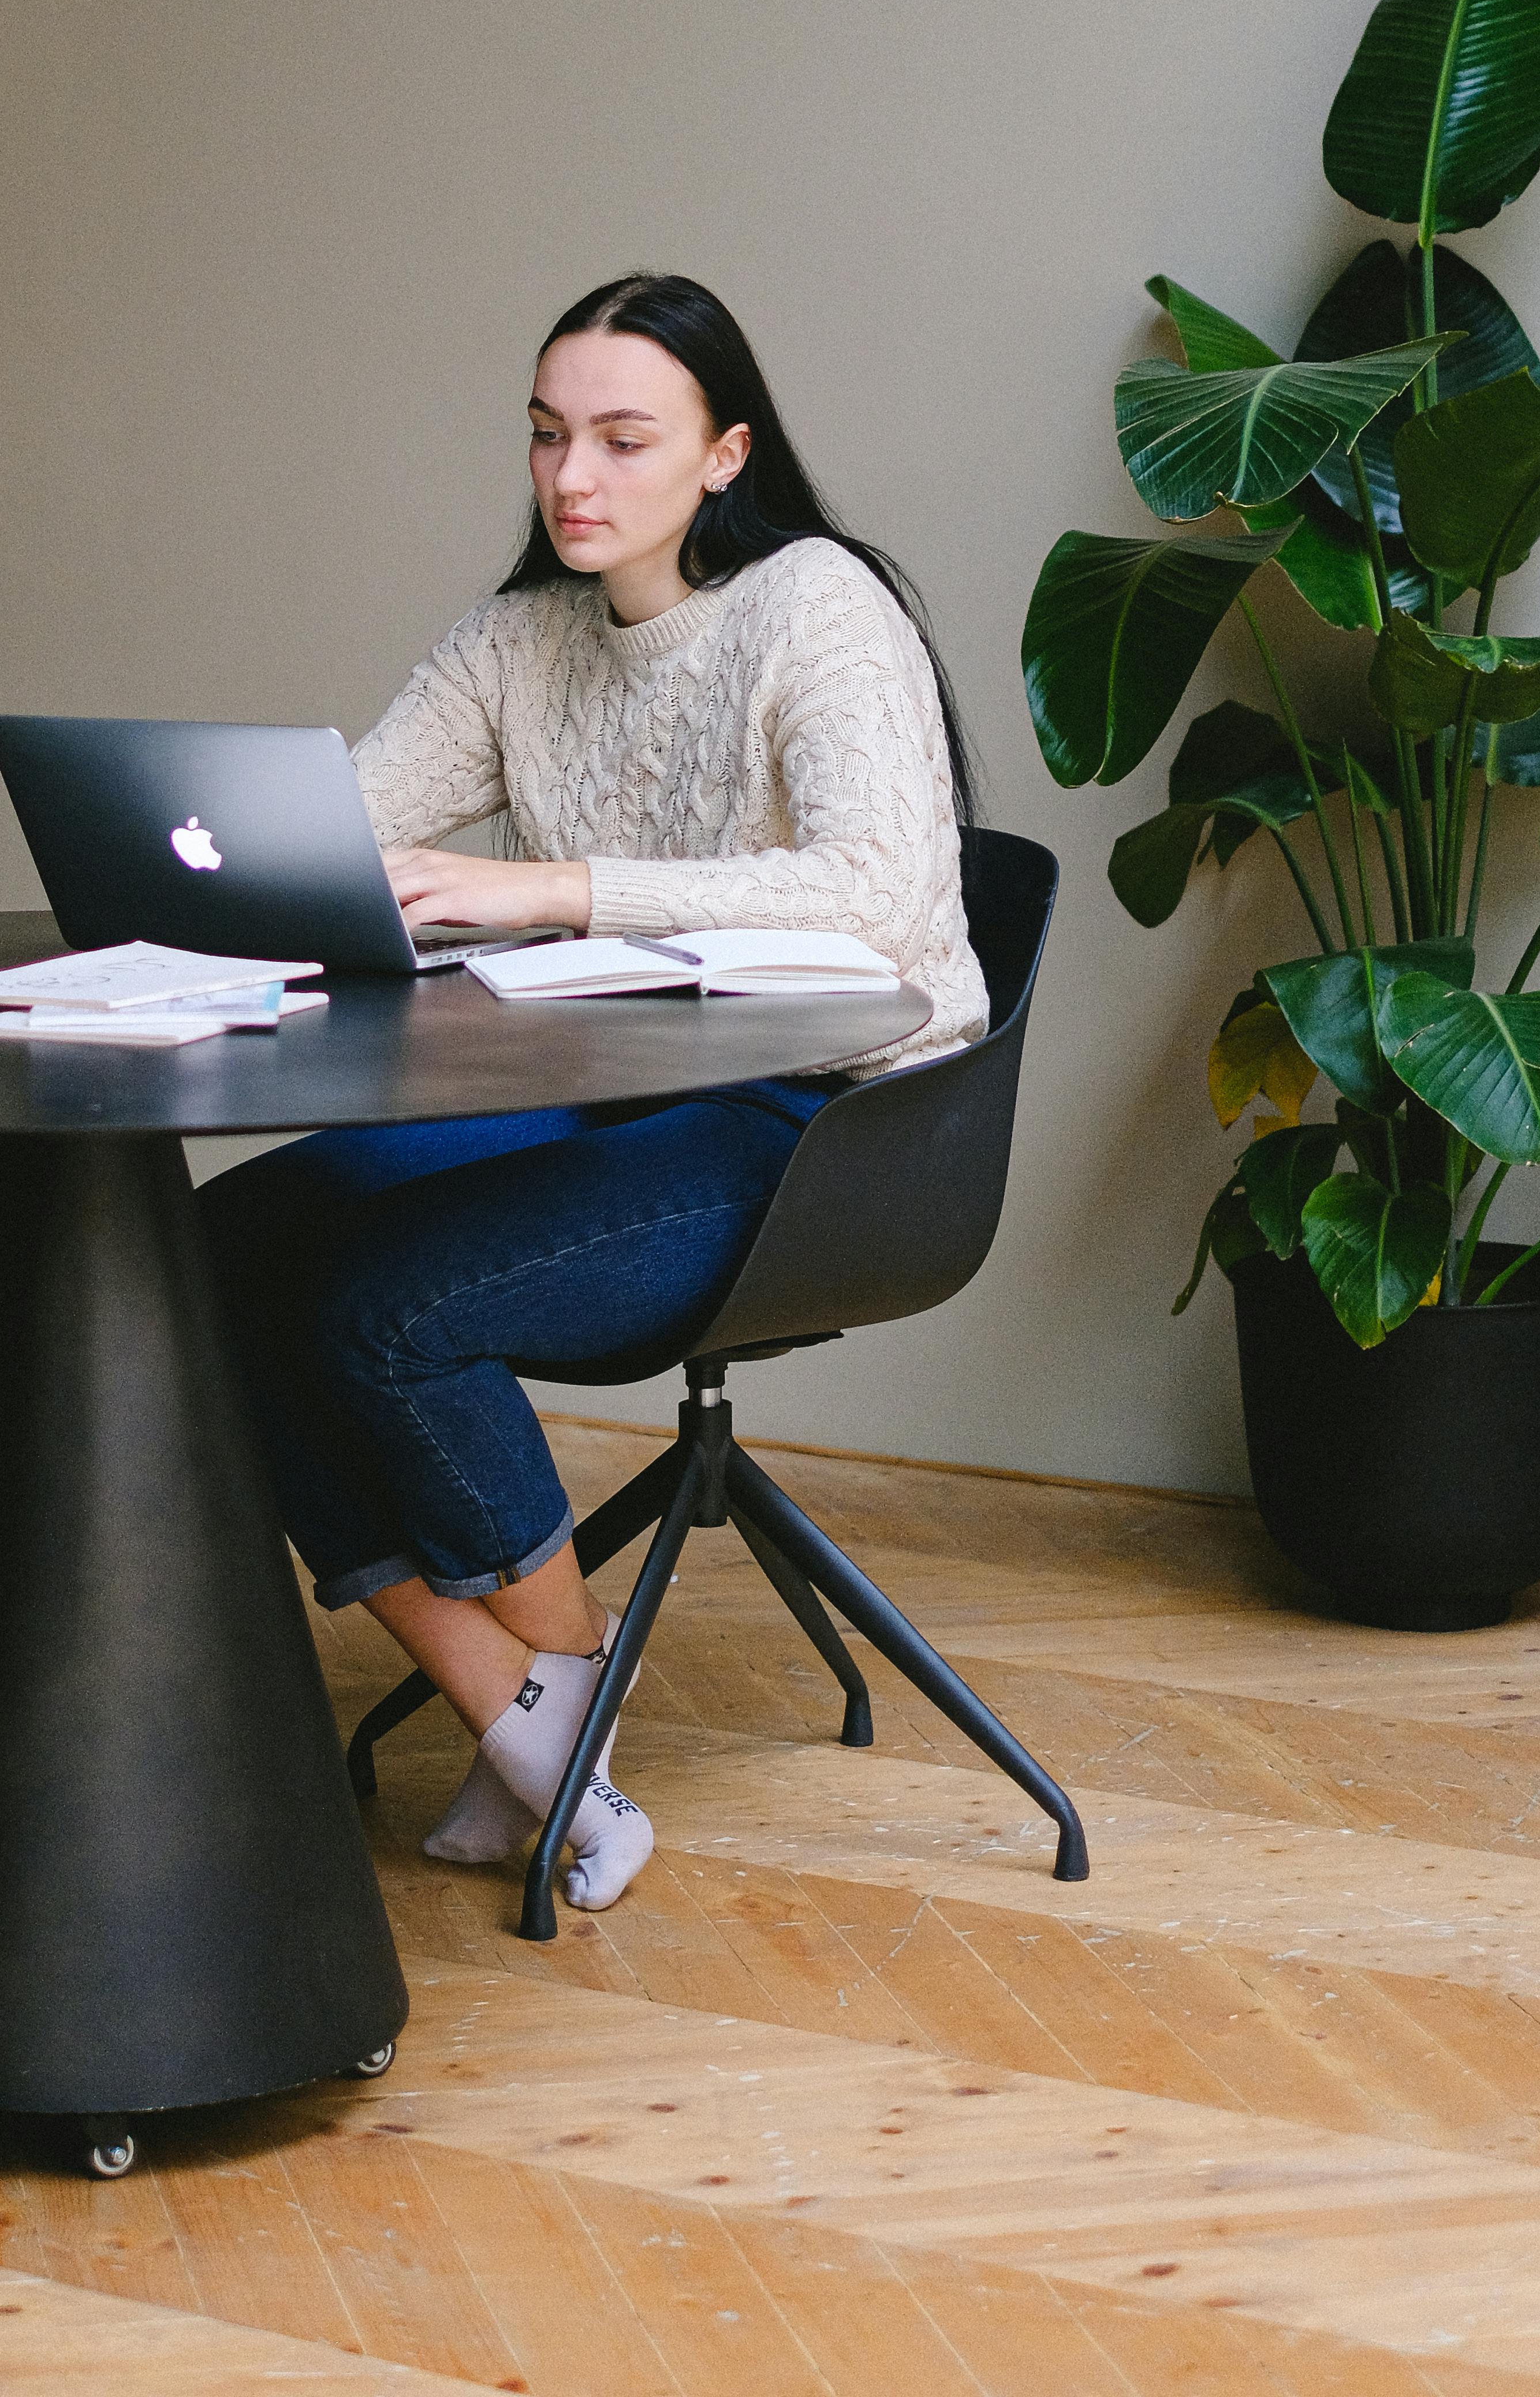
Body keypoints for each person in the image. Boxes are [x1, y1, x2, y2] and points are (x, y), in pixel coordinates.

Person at [200, 272, 986, 1912]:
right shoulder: (525, 640)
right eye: (552, 436)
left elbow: (882, 899)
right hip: (620, 1090)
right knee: (205, 1262)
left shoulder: (818, 607)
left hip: (830, 1125)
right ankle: (531, 1721)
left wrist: (553, 890)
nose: (575, 479)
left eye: (627, 440)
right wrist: (206, 859)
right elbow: (344, 825)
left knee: (382, 1305)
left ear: (724, 455)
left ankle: (555, 1734)